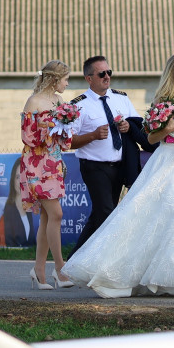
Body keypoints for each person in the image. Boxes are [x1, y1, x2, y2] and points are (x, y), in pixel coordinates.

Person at [63, 53, 174, 299]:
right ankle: (109, 269)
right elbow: (150, 138)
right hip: (165, 161)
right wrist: (167, 128)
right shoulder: (163, 102)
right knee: (154, 214)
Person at [67, 55, 154, 252]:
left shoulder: (121, 98)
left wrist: (127, 127)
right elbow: (68, 141)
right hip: (94, 166)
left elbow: (139, 126)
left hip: (120, 165)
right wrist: (92, 135)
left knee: (99, 215)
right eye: (101, 74)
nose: (107, 77)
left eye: (109, 72)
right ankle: (108, 265)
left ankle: (72, 264)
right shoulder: (78, 105)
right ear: (89, 78)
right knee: (107, 214)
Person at [19, 60, 75, 290]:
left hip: (53, 162)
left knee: (47, 217)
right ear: (54, 79)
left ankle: (39, 269)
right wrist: (43, 125)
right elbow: (27, 137)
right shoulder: (33, 101)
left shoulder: (59, 101)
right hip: (35, 163)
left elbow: (64, 142)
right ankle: (60, 268)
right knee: (57, 214)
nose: (67, 83)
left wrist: (66, 125)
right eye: (65, 79)